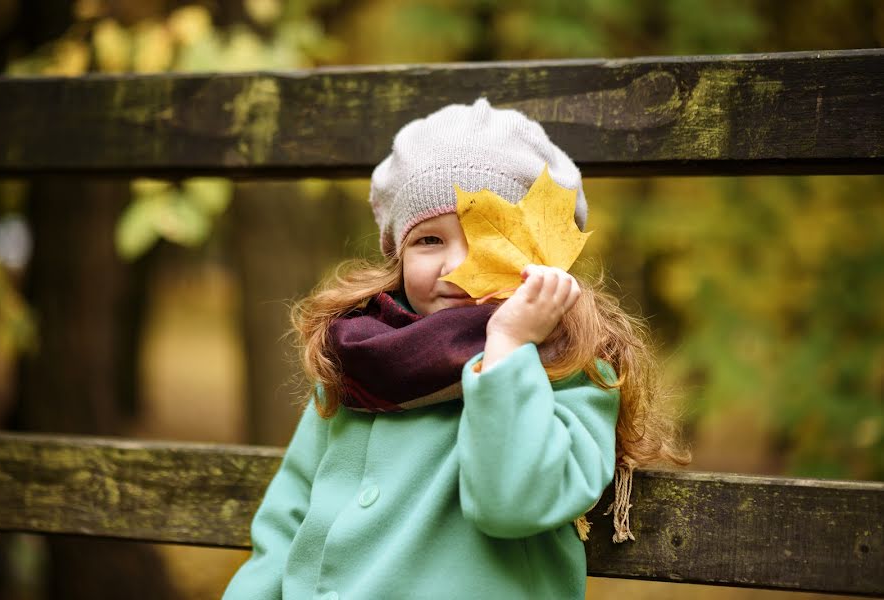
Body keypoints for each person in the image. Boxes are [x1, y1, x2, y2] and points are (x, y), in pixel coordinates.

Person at [223, 98, 690, 600]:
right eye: (428, 241)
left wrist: (508, 348)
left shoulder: (571, 366)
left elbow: (514, 503)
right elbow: (287, 520)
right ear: (397, 255)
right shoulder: (359, 361)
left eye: (489, 239)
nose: (456, 267)